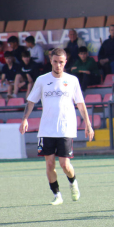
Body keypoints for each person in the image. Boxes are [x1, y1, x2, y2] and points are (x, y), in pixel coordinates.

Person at [19, 48, 94, 205]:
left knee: (65, 164)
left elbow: (81, 103)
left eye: (61, 62)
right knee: (50, 163)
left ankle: (73, 182)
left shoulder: (72, 80)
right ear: (50, 61)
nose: (58, 65)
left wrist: (88, 124)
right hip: (46, 129)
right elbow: (31, 100)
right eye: (55, 62)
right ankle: (57, 194)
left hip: (65, 128)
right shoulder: (42, 80)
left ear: (65, 62)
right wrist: (25, 119)